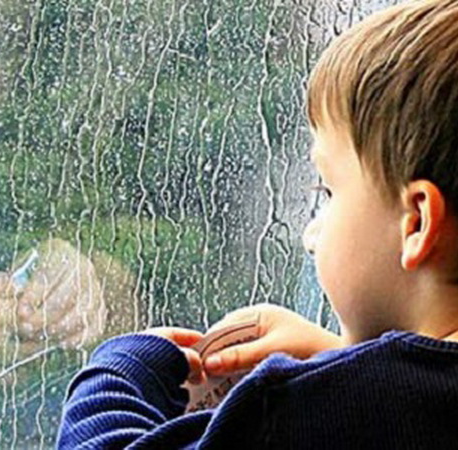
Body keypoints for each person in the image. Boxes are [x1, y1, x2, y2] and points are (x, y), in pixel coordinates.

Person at [56, 1, 458, 448]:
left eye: (327, 191)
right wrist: (337, 356)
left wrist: (117, 374)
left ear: (416, 222)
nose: (310, 235)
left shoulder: (292, 412)